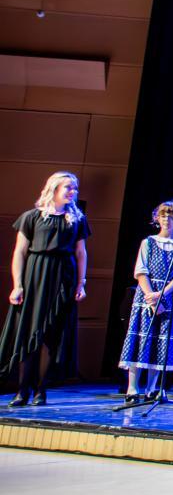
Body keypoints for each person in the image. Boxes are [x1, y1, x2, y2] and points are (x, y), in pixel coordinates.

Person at [3, 171, 89, 407]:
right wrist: (17, 285)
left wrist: (81, 283)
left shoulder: (77, 220)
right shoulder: (31, 217)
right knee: (29, 334)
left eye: (75, 188)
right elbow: (20, 252)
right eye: (68, 187)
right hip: (35, 276)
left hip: (63, 277)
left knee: (52, 336)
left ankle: (41, 390)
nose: (73, 192)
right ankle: (22, 390)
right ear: (54, 188)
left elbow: (81, 253)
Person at [117, 200, 173, 402]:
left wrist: (161, 296)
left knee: (160, 342)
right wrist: (151, 297)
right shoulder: (148, 242)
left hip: (167, 297)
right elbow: (141, 271)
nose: (167, 219)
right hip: (146, 297)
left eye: (171, 215)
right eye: (163, 215)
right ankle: (132, 388)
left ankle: (152, 388)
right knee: (141, 339)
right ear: (157, 218)